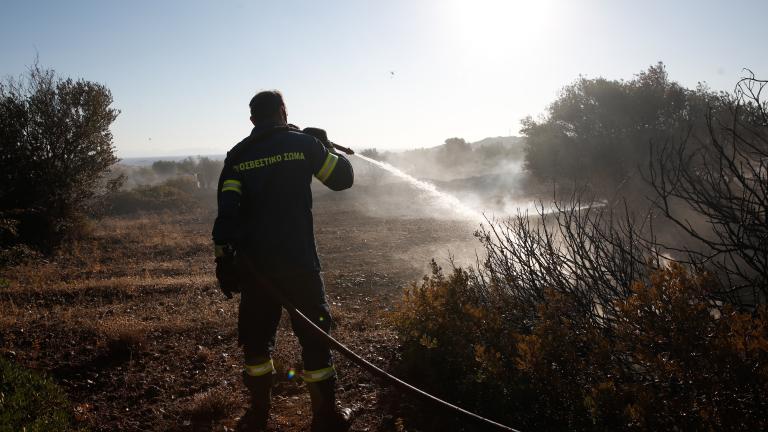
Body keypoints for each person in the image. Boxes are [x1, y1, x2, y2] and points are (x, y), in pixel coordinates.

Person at [212, 90, 354, 431]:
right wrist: (325, 147)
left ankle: (258, 414)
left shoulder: (238, 156)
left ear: (252, 120)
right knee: (316, 341)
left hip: (257, 270)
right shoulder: (302, 144)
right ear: (282, 110)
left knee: (257, 343)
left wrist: (223, 262)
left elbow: (226, 216)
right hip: (300, 264)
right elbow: (342, 180)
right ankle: (325, 416)